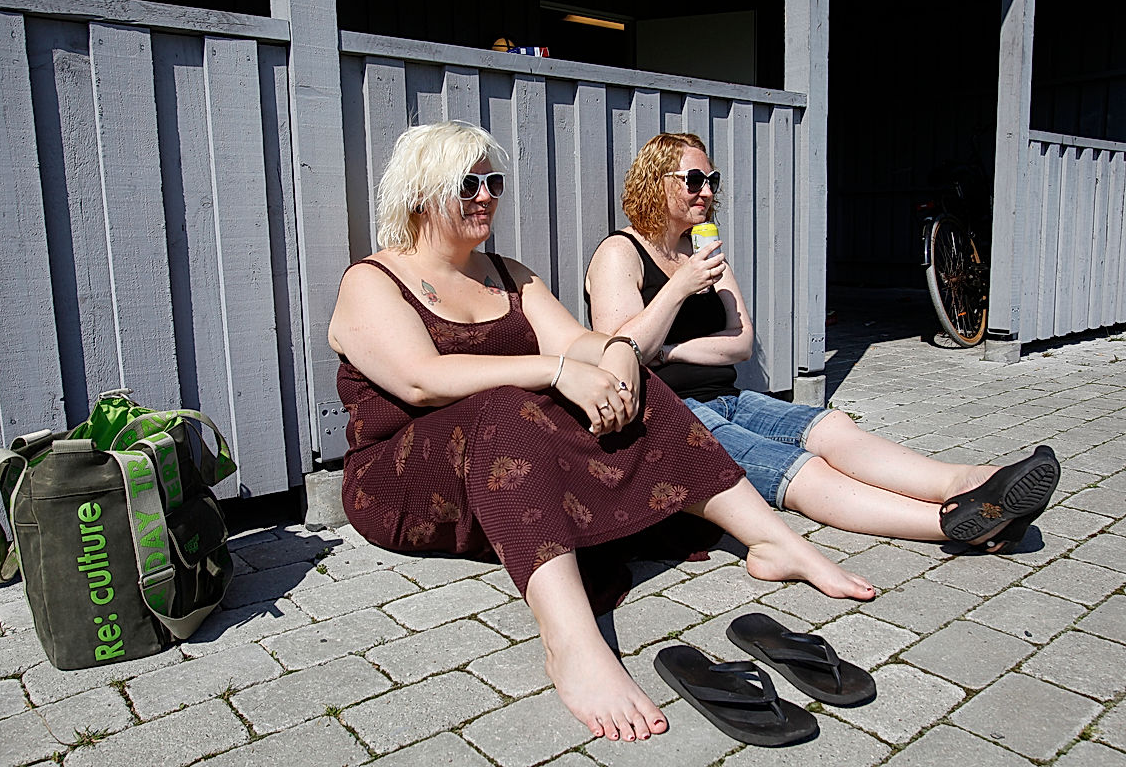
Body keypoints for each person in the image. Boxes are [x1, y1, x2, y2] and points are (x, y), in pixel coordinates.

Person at [328, 121, 876, 744]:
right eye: (467, 185)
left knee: (641, 383)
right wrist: (557, 371)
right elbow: (421, 380)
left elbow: (575, 341)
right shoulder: (373, 280)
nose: (486, 196)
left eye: (494, 183)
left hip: (504, 461)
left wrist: (618, 355)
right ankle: (572, 645)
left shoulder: (508, 274)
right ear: (421, 193)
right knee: (503, 408)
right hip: (404, 477)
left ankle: (773, 542)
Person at [585, 132, 1060, 554]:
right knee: (801, 469)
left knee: (835, 429)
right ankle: (955, 524)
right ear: (656, 182)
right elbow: (619, 351)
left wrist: (671, 351)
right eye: (694, 180)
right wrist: (679, 288)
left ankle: (973, 481)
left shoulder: (703, 252)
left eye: (712, 179)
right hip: (668, 412)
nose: (707, 191)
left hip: (727, 397)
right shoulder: (620, 253)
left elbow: (741, 343)